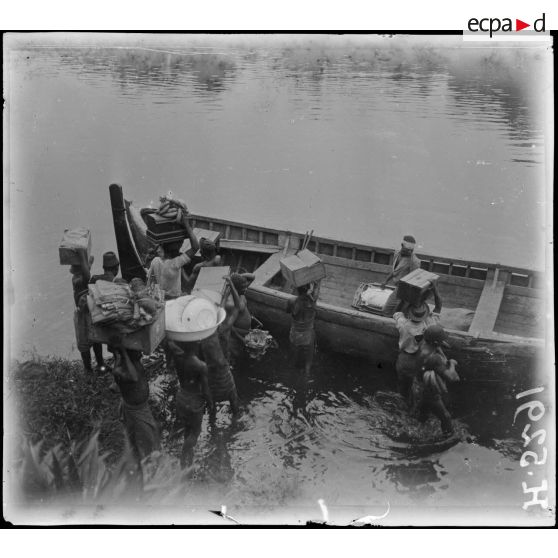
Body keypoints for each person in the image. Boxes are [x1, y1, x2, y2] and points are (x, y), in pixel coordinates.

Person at [110, 338, 160, 460]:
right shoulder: (120, 370)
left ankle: (141, 459)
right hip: (135, 410)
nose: (140, 353)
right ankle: (143, 463)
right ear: (127, 354)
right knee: (146, 439)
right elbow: (134, 378)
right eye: (137, 351)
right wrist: (123, 352)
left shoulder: (134, 362)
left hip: (142, 407)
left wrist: (124, 353)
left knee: (148, 437)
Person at [393, 280, 442, 399]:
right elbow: (438, 306)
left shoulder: (404, 324)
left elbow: (396, 312)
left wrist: (405, 297)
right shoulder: (429, 325)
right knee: (415, 387)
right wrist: (435, 289)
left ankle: (401, 401)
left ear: (409, 314)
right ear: (425, 314)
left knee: (402, 385)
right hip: (418, 360)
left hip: (404, 359)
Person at [168, 340, 213, 467]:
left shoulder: (178, 358)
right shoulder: (201, 366)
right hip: (194, 401)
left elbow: (170, 344)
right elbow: (205, 390)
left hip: (181, 396)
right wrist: (210, 403)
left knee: (187, 427)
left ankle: (184, 453)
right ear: (196, 345)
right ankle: (184, 456)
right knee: (195, 431)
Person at [410, 324, 460, 435]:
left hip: (417, 384)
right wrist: (452, 364)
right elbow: (453, 378)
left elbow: (435, 345)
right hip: (429, 391)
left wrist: (439, 345)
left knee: (423, 413)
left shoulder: (422, 343)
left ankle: (416, 430)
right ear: (436, 342)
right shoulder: (434, 359)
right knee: (446, 417)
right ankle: (448, 438)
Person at [200, 305, 240, 421]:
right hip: (223, 373)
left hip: (212, 375)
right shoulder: (222, 330)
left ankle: (213, 431)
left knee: (212, 406)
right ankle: (234, 426)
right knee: (233, 402)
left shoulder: (200, 338)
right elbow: (236, 308)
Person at [146, 214, 200, 299]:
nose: (181, 243)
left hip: (160, 297)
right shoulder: (175, 263)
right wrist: (187, 226)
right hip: (173, 300)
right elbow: (195, 247)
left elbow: (151, 280)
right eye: (180, 243)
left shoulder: (155, 260)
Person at [69, 252, 105, 375]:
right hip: (83, 312)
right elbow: (88, 267)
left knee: (93, 338)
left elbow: (90, 262)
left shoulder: (82, 276)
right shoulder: (79, 278)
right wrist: (85, 258)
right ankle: (90, 368)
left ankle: (98, 366)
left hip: (87, 310)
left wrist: (85, 259)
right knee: (87, 340)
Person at [381, 235, 421, 316]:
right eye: (407, 250)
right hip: (398, 286)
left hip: (404, 288)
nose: (409, 252)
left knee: (386, 310)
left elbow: (414, 281)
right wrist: (386, 281)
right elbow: (395, 271)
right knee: (393, 311)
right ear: (402, 246)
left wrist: (405, 298)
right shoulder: (397, 254)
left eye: (411, 250)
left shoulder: (414, 262)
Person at [287, 280, 321, 374]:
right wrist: (314, 285)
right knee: (308, 362)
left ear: (297, 289)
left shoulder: (291, 301)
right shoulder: (312, 303)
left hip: (294, 335)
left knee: (293, 359)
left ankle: (290, 375)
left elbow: (288, 311)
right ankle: (306, 376)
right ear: (309, 291)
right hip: (307, 337)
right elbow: (317, 290)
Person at [226, 272, 256, 362]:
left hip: (245, 332)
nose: (246, 289)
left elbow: (252, 277)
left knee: (242, 354)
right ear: (235, 288)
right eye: (243, 287)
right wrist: (241, 339)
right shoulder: (230, 303)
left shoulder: (241, 292)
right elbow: (229, 326)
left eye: (245, 286)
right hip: (236, 335)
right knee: (234, 356)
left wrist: (235, 277)